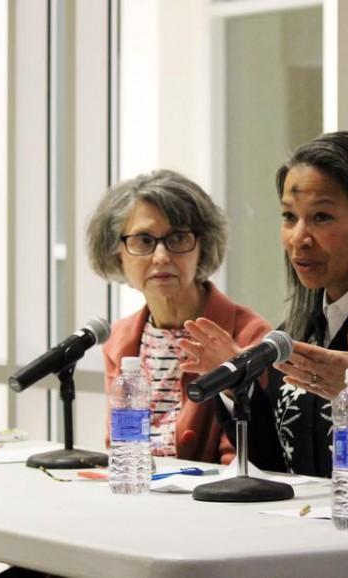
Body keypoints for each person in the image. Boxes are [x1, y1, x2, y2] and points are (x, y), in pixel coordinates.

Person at [183, 131, 348, 491]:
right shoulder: (297, 330)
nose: (299, 238)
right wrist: (238, 389)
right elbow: (278, 466)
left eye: (321, 217)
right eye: (289, 217)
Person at [86, 169, 271, 464]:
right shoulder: (119, 340)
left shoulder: (249, 335)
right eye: (144, 241)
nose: (161, 257)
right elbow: (119, 449)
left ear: (203, 246)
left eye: (178, 238)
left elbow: (244, 458)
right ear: (117, 252)